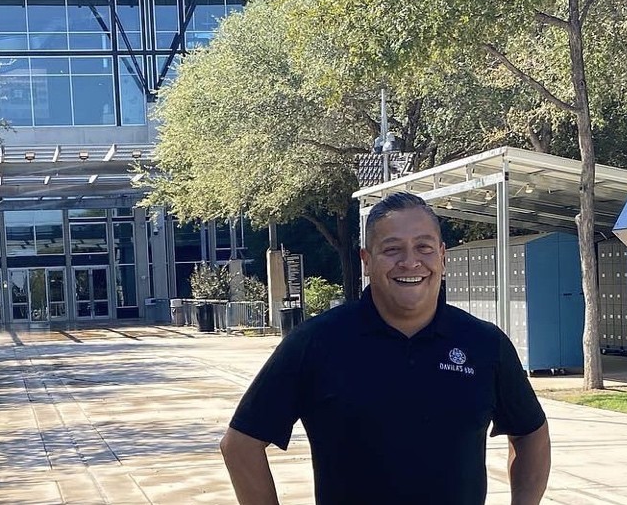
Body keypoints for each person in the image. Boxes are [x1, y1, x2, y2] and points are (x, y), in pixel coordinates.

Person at [220, 192, 551, 504]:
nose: (410, 262)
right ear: (367, 260)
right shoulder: (317, 342)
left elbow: (530, 433)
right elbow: (241, 445)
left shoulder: (484, 344)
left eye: (424, 247)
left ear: (442, 256)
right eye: (392, 249)